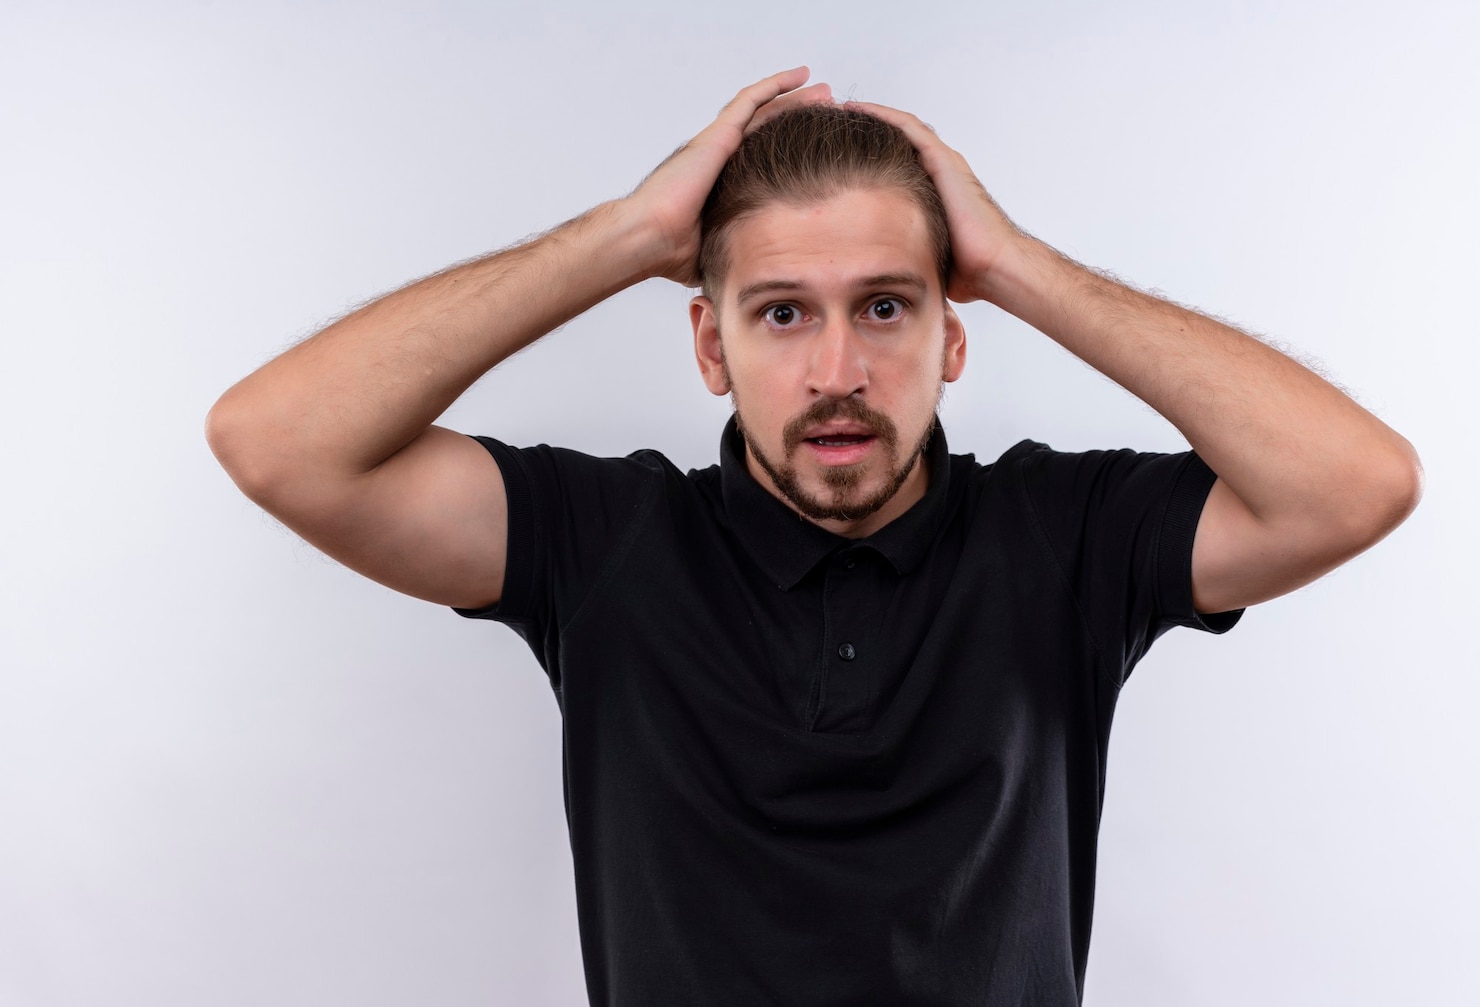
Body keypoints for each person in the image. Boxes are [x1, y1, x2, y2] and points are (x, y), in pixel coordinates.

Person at [205, 68, 1422, 1005]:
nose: (837, 370)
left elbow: (1355, 484)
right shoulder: (604, 541)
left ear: (953, 336)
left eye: (885, 307)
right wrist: (628, 232)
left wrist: (1017, 262)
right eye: (780, 312)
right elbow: (277, 440)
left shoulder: (1067, 534)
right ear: (706, 345)